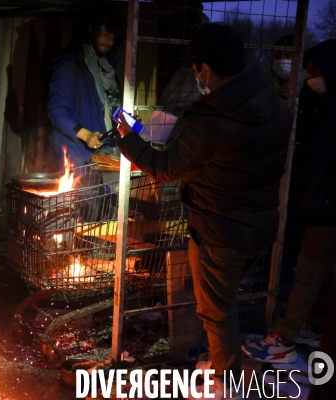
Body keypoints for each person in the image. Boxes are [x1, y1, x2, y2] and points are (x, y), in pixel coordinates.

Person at [116, 23, 292, 399]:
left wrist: (128, 139)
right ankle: (224, 360)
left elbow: (165, 169)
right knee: (227, 302)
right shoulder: (271, 102)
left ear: (206, 69)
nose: (196, 78)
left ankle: (227, 381)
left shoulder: (211, 120)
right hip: (258, 224)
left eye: (196, 70)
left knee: (216, 310)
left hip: (219, 230)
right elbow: (227, 161)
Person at [242, 39, 336, 364]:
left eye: (315, 71)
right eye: (307, 70)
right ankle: (316, 325)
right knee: (317, 273)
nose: (311, 77)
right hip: (310, 202)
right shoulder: (313, 102)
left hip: (325, 206)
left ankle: (285, 338)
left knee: (309, 272)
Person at [47, 12, 123, 169]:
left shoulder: (107, 68)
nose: (110, 41)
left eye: (114, 37)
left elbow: (111, 109)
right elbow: (57, 111)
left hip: (104, 156)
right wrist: (86, 134)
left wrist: (131, 125)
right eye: (105, 34)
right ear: (91, 30)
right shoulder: (70, 65)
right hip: (78, 159)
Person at [271, 35, 295, 101]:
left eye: (288, 56)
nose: (282, 60)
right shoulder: (266, 85)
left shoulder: (305, 87)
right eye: (278, 55)